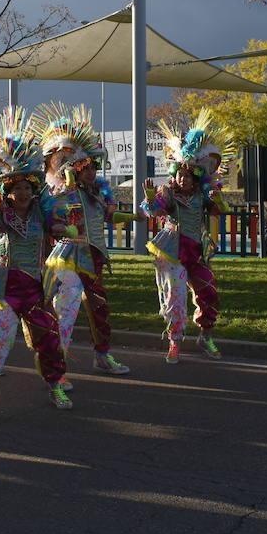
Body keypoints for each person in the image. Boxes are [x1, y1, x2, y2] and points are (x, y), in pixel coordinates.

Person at [0, 110, 71, 421]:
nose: (22, 193)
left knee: (49, 338)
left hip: (36, 287)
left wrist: (62, 228)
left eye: (26, 188)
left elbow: (61, 225)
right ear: (5, 191)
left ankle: (55, 383)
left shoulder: (42, 211)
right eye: (15, 189)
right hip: (4, 288)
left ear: (33, 189)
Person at [38, 103, 139, 380]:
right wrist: (68, 186)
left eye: (93, 166)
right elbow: (52, 219)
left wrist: (134, 216)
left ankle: (102, 355)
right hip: (66, 259)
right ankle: (56, 370)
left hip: (92, 257)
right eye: (84, 167)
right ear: (70, 169)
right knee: (66, 311)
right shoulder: (57, 193)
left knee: (100, 308)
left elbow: (109, 215)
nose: (91, 172)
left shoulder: (97, 193)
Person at [142, 110, 234, 363]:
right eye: (179, 174)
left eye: (188, 175)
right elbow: (152, 210)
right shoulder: (168, 192)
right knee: (176, 297)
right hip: (172, 251)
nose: (182, 178)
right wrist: (150, 199)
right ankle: (175, 340)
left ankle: (205, 337)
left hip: (196, 251)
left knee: (209, 292)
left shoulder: (203, 195)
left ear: (196, 177)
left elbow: (220, 211)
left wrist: (219, 200)